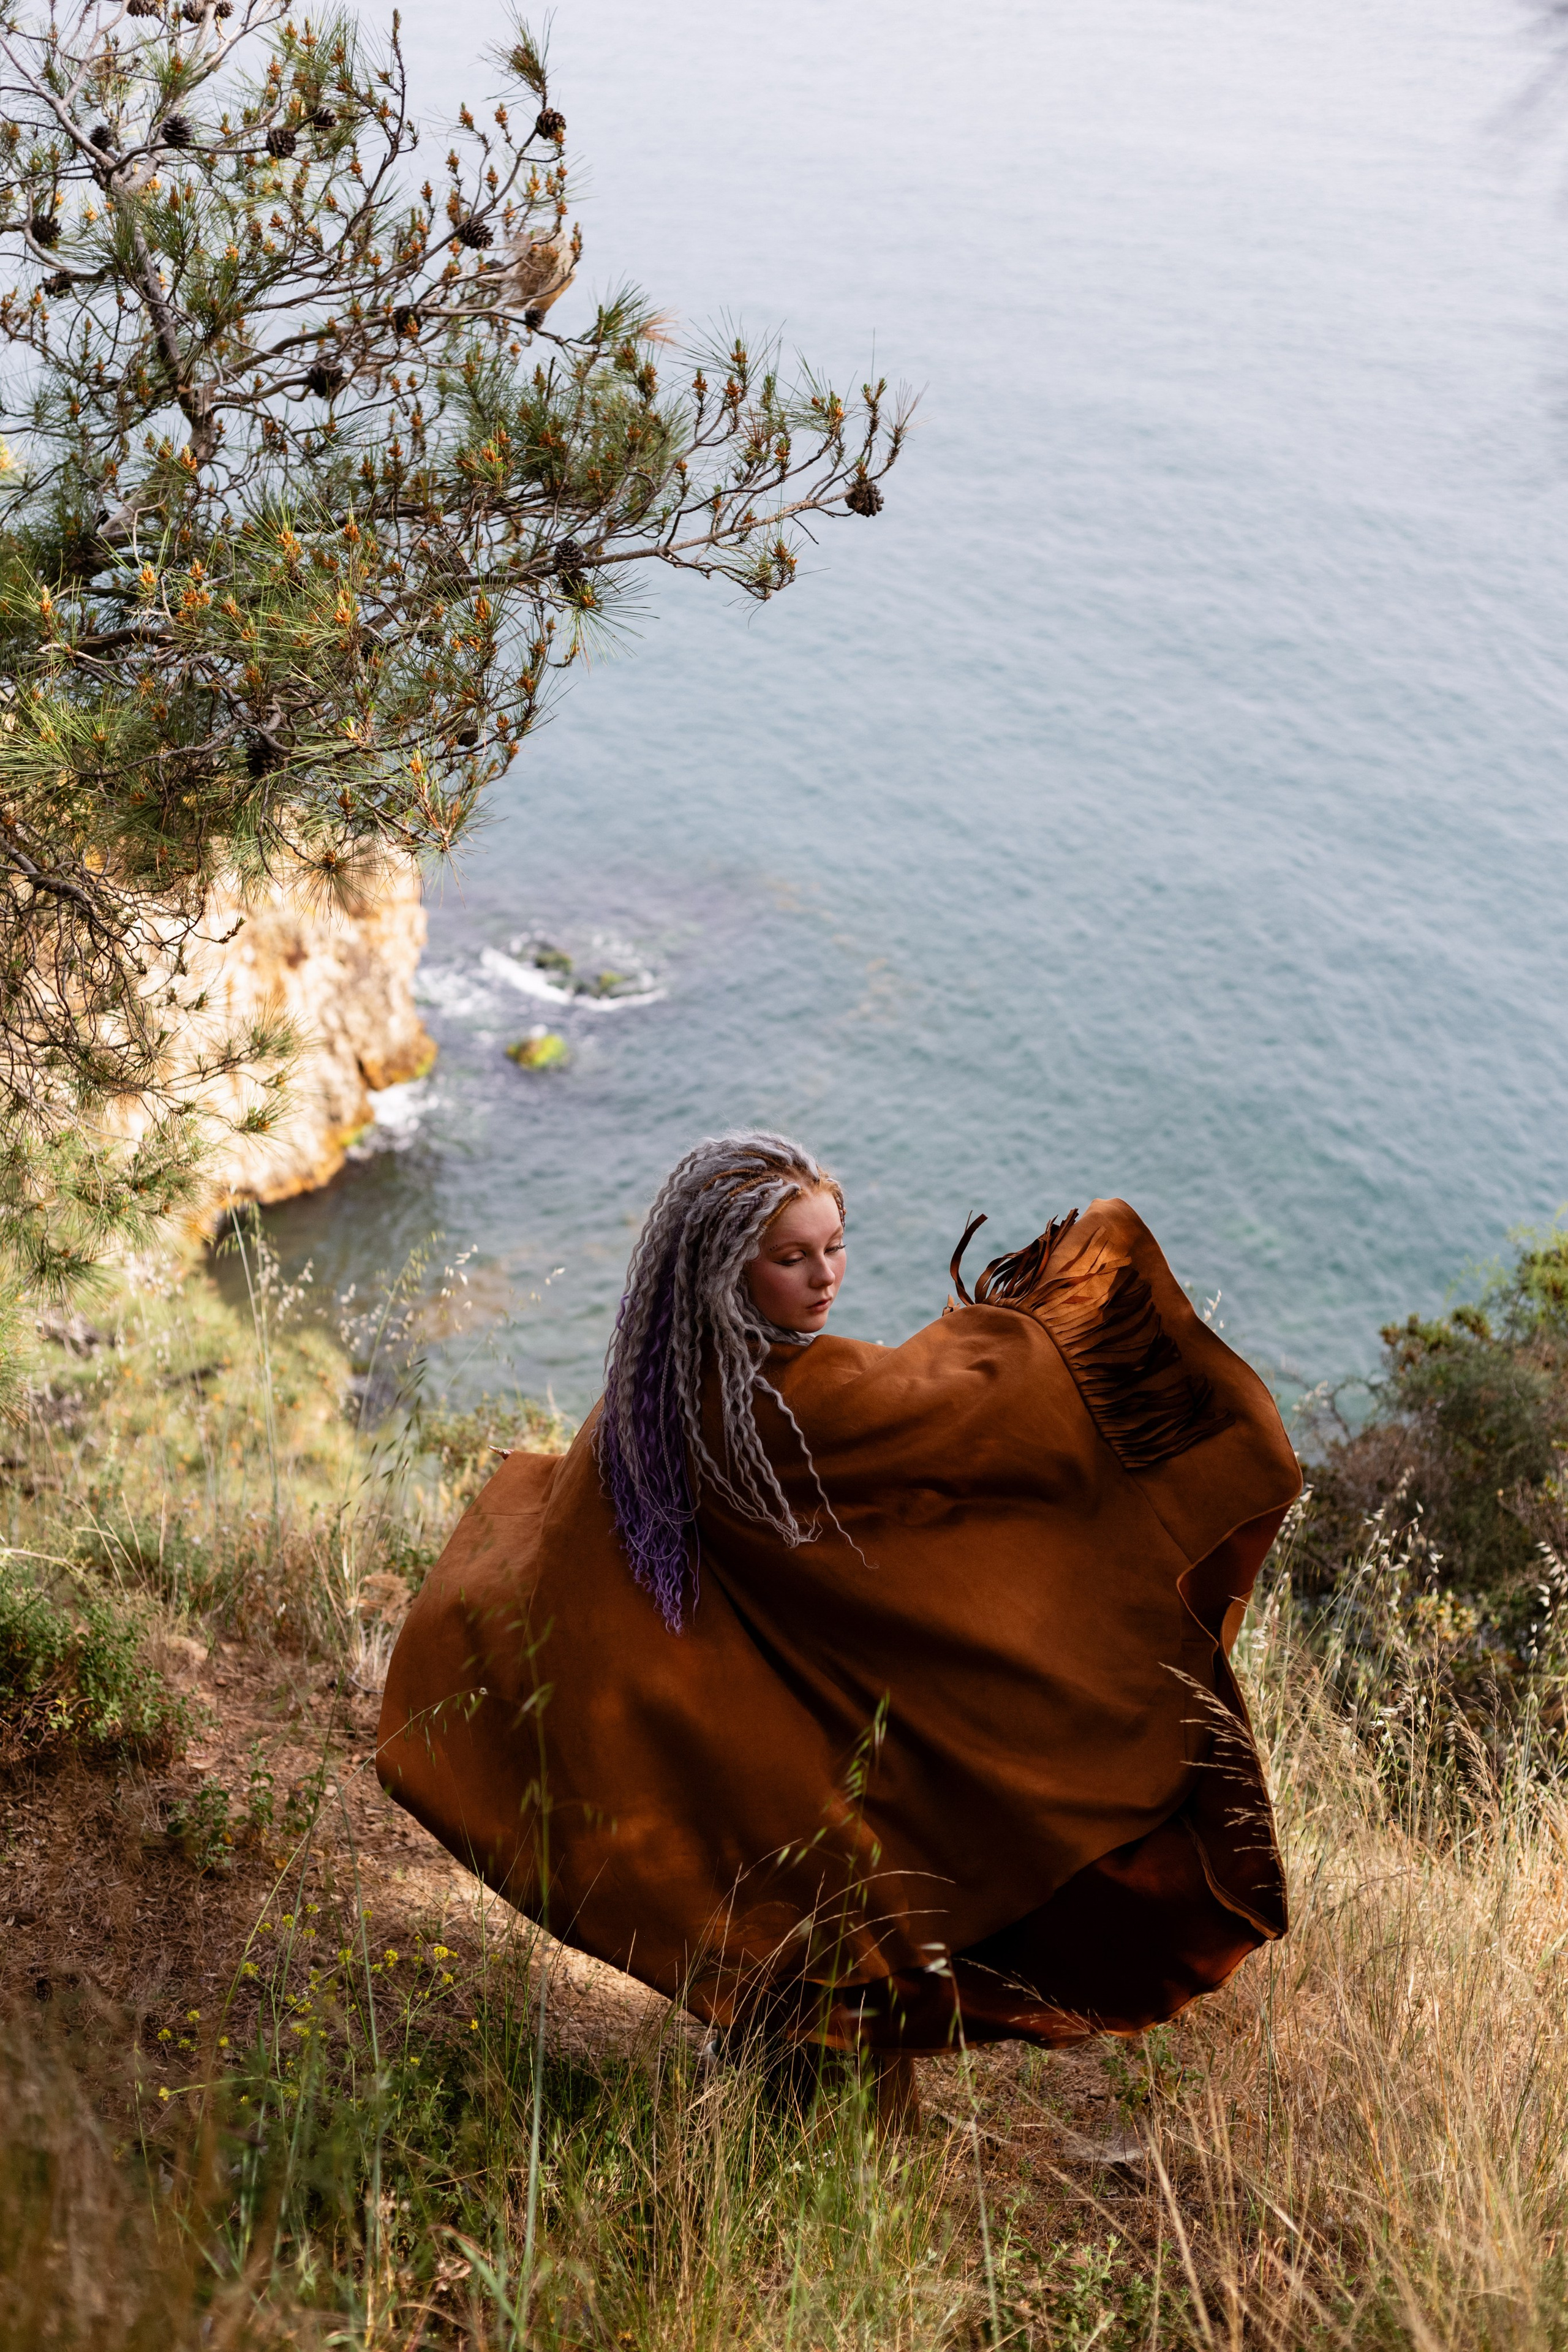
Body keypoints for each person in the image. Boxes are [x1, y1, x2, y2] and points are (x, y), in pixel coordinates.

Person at [377, 1131, 1301, 2120]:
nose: (826, 1277)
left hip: (747, 1744)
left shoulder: (650, 1396)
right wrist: (1058, 1326)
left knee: (810, 1966)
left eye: (836, 1245)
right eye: (792, 1258)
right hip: (786, 1748)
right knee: (841, 1962)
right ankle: (819, 2156)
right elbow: (962, 1410)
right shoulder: (798, 1407)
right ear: (726, 1270)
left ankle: (777, 2120)